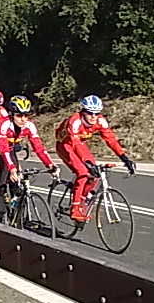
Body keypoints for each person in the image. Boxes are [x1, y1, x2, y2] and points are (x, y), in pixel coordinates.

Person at [55, 94, 135, 222]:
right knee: (82, 172)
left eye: (96, 113)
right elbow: (74, 143)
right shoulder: (75, 121)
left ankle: (81, 200)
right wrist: (87, 164)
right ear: (83, 111)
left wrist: (124, 158)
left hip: (79, 144)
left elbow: (111, 140)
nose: (93, 116)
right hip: (65, 145)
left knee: (95, 175)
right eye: (90, 113)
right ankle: (75, 209)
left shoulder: (100, 121)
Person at [0, 95, 59, 218]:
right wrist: (12, 168)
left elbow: (39, 148)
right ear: (11, 114)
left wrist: (50, 164)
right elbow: (3, 149)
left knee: (17, 178)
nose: (23, 119)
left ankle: (14, 203)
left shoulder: (29, 126)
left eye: (26, 115)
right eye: (19, 115)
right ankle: (0, 193)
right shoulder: (4, 124)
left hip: (9, 148)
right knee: (7, 167)